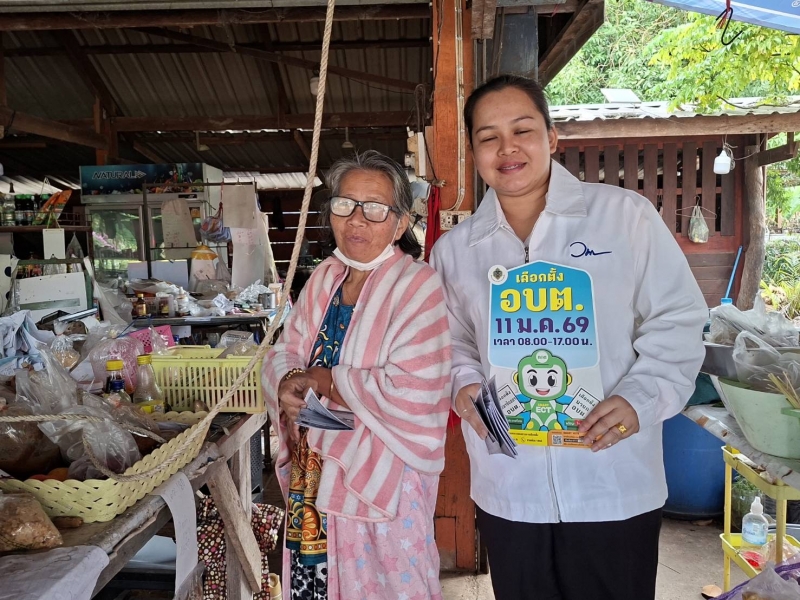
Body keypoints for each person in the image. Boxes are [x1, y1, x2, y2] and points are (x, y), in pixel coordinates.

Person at [429, 74, 708, 600]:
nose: (507, 148)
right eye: (488, 137)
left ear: (552, 137)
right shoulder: (456, 250)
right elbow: (451, 340)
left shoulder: (623, 218)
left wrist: (639, 398)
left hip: (613, 481)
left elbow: (677, 318)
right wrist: (463, 384)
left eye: (522, 130)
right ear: (473, 151)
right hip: (511, 486)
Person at [263, 150, 452, 600]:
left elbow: (415, 388)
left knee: (389, 583)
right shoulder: (324, 279)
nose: (357, 219)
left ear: (400, 224)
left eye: (375, 208)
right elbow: (286, 350)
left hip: (382, 473)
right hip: (314, 470)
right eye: (345, 204)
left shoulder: (417, 285)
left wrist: (325, 382)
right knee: (317, 581)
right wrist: (288, 380)